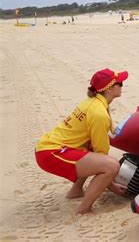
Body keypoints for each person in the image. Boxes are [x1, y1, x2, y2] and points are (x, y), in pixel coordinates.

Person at [35, 68, 128, 214]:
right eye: (120, 83)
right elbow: (102, 155)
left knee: (90, 147)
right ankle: (83, 210)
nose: (122, 86)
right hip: (51, 153)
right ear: (109, 89)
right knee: (111, 166)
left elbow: (110, 129)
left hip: (49, 146)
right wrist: (111, 185)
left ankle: (76, 190)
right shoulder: (98, 113)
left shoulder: (94, 102)